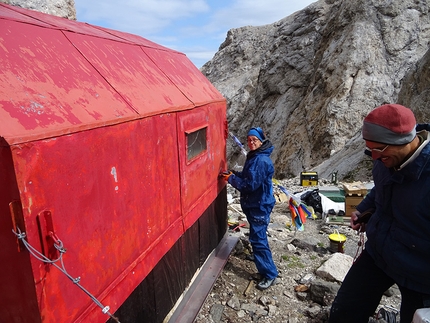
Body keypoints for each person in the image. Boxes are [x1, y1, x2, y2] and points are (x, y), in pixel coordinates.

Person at [329, 104, 430, 323]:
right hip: (379, 253)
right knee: (344, 312)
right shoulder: (384, 161)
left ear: (403, 141)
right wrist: (365, 208)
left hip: (421, 274)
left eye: (380, 150)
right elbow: (381, 189)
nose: (374, 157)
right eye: (370, 150)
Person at [221, 127, 278, 290]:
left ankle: (270, 274)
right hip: (257, 204)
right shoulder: (257, 156)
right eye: (249, 140)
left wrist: (231, 179)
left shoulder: (260, 161)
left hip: (259, 206)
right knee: (257, 236)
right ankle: (261, 260)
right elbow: (249, 176)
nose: (251, 142)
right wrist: (234, 174)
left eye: (254, 140)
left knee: (258, 240)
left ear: (261, 141)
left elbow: (249, 185)